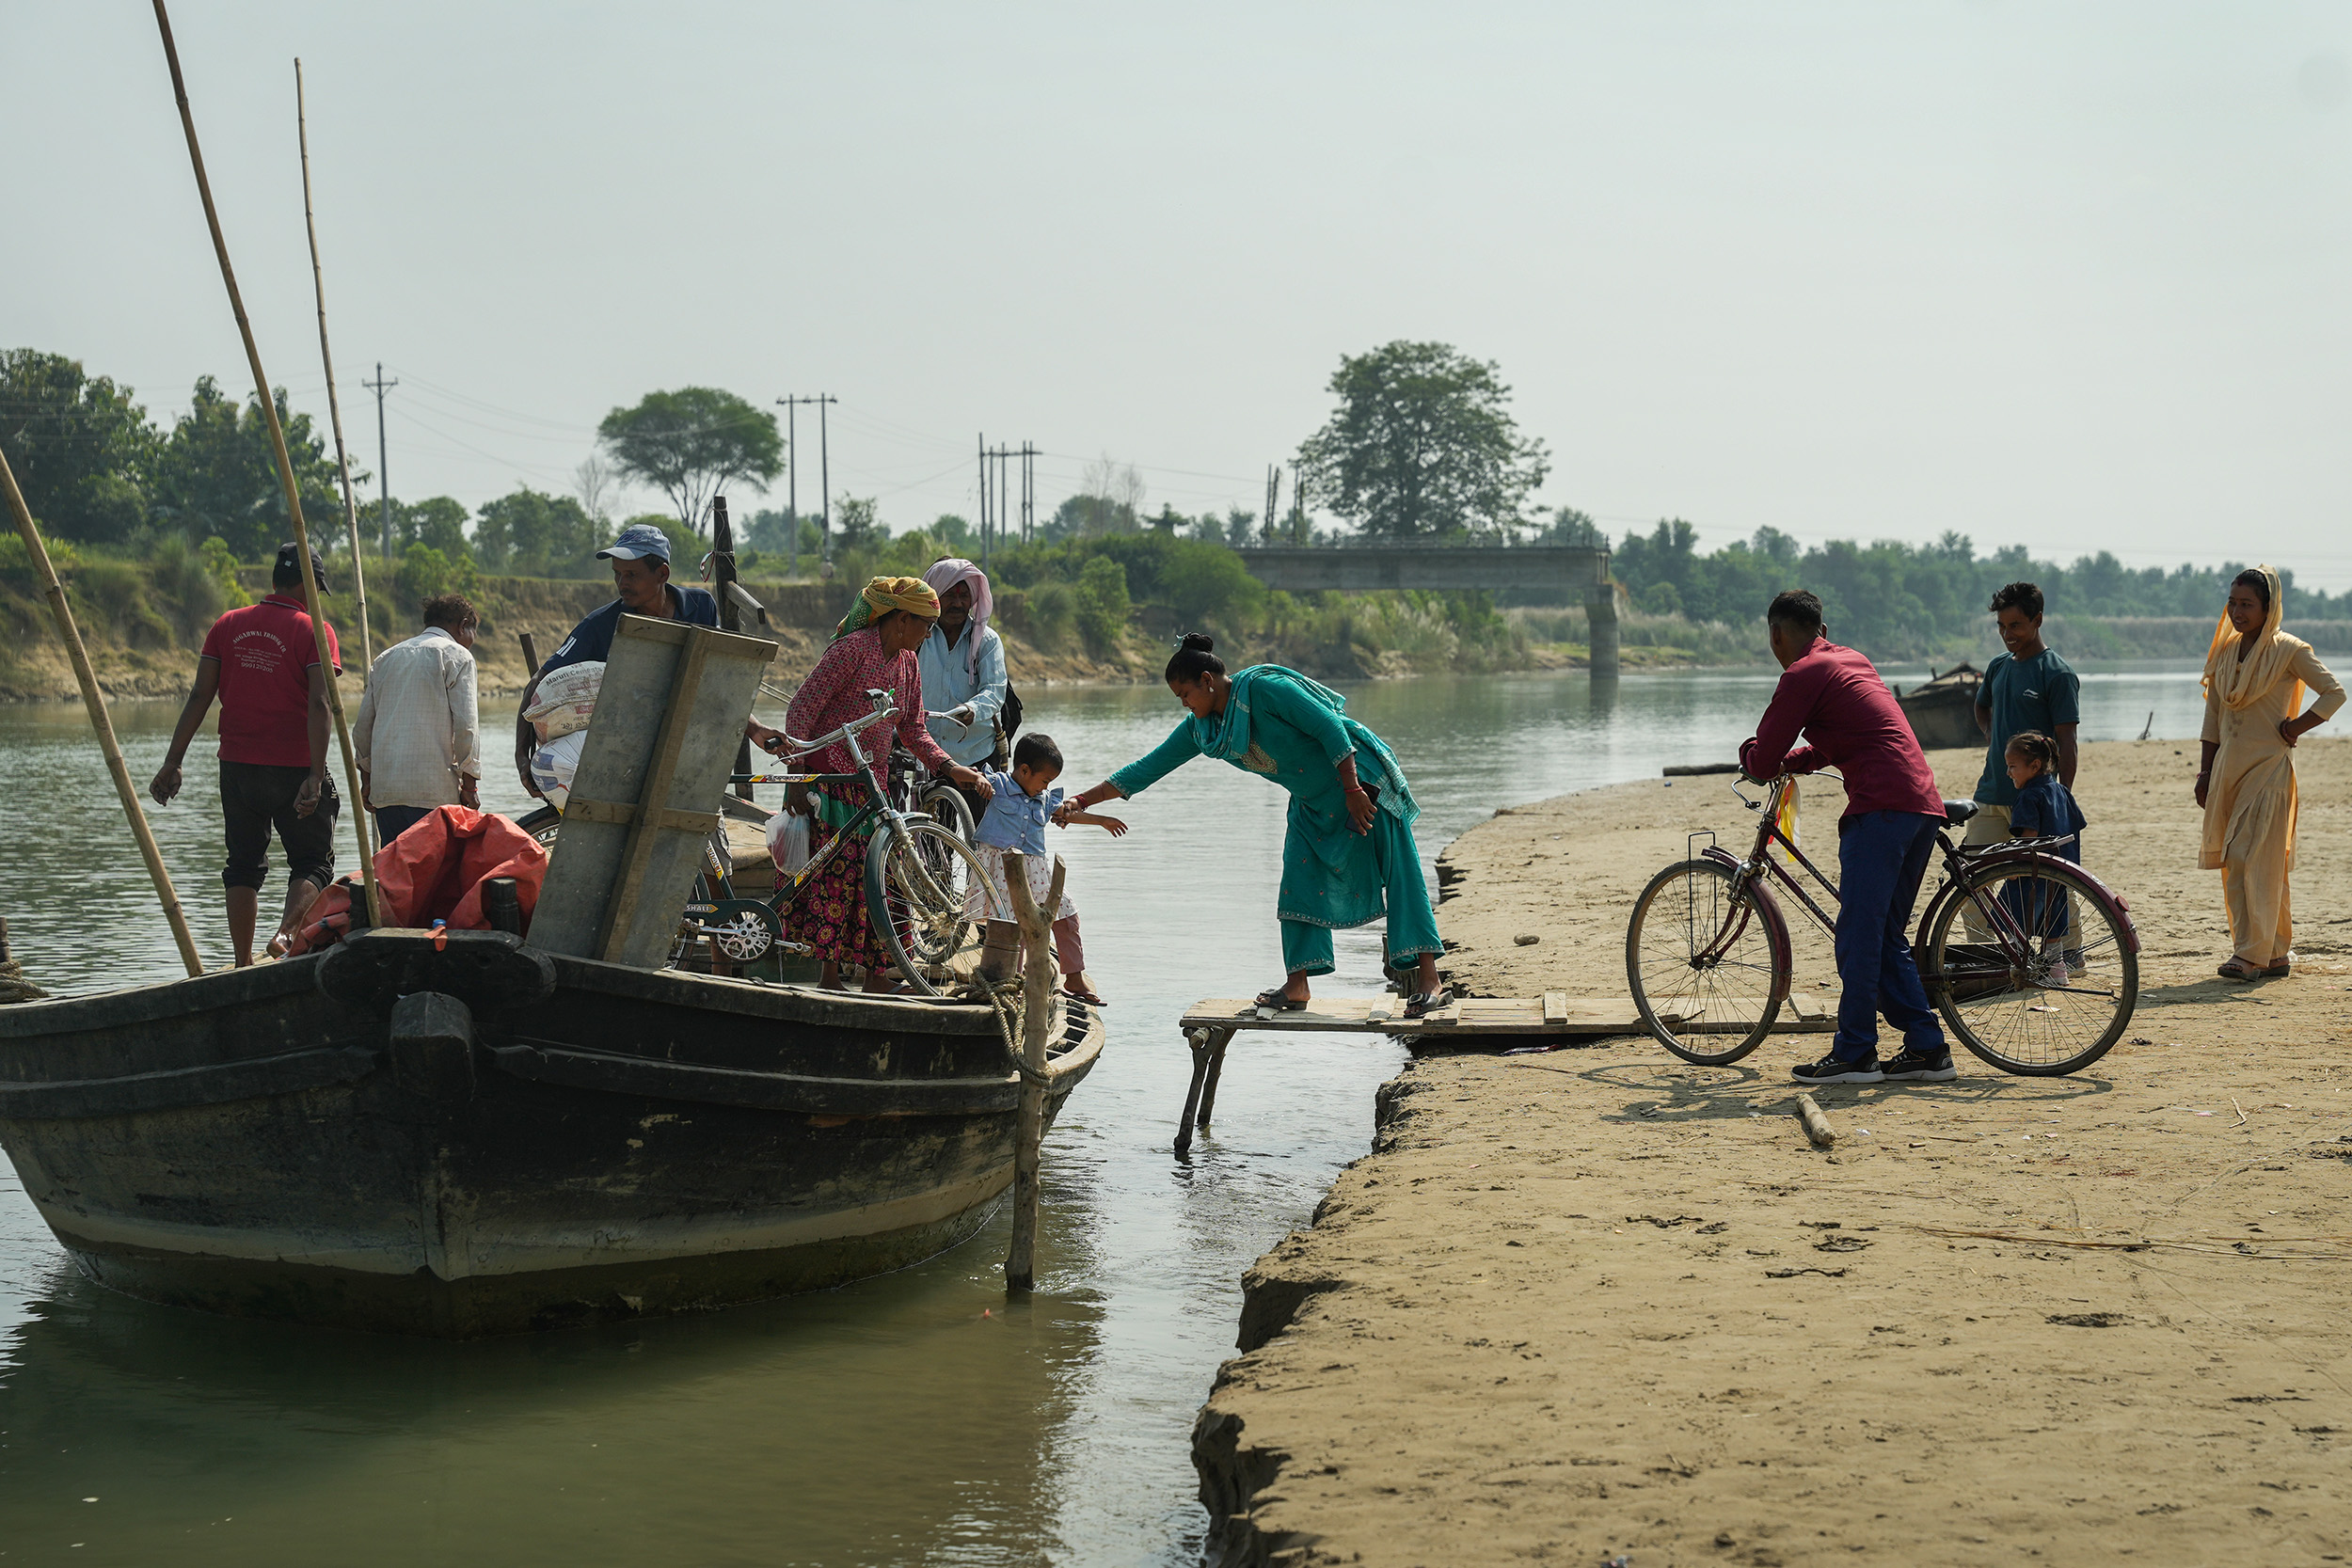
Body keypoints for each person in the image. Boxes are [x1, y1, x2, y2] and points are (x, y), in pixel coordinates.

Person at [1064, 633, 1448, 1016]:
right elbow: (1145, 769)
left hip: (1360, 783)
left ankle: (1430, 980)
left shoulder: (1265, 689)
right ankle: (1297, 985)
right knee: (1297, 883)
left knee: (1400, 872)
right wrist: (1080, 801)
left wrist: (1351, 788)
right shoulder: (1202, 730)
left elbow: (1331, 728)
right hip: (1311, 800)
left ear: (1208, 680)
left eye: (1185, 693)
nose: (1183, 703)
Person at [1739, 590, 1953, 1085]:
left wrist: (1752, 757)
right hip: (1920, 804)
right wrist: (1793, 761)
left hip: (1881, 810)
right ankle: (1926, 1047)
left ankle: (1856, 1052)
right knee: (1881, 936)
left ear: (1775, 634)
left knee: (1857, 936)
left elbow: (1764, 754)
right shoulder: (1850, 660)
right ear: (1823, 629)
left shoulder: (1800, 674)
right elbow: (1845, 737)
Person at [782, 576, 992, 991]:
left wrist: (952, 768)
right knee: (836, 879)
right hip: (829, 781)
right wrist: (795, 778)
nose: (929, 633)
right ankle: (828, 978)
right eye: (924, 625)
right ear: (899, 620)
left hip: (872, 786)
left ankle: (877, 977)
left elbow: (913, 730)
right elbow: (801, 710)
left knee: (882, 878)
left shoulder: (908, 663)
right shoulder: (853, 650)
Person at [149, 542, 342, 967]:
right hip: (293, 766)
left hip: (237, 766)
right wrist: (315, 772)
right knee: (313, 861)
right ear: (308, 587)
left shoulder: (227, 623)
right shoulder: (316, 630)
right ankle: (284, 934)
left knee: (242, 865)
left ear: (274, 580)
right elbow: (320, 703)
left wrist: (173, 760)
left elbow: (200, 694)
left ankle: (241, 962)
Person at [2195, 564, 2344, 981]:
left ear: (2268, 607)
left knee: (2250, 859)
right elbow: (2213, 718)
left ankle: (2249, 956)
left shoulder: (2290, 650)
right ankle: (2275, 953)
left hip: (2270, 771)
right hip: (2228, 772)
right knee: (2247, 862)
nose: (2237, 612)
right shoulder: (2225, 653)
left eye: (2247, 604)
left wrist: (2296, 727)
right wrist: (2205, 772)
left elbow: (2335, 692)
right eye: (2233, 602)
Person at [513, 523, 726, 799]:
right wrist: (521, 757)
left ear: (662, 573)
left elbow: (720, 678)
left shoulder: (701, 607)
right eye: (617, 574)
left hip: (689, 742)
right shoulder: (601, 624)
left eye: (631, 575)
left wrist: (754, 728)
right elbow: (538, 681)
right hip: (627, 748)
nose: (622, 584)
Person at [966, 732, 1125, 1004]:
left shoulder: (1045, 799)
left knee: (1066, 913)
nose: (1045, 786)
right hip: (1002, 868)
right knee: (1014, 927)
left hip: (1036, 872)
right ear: (1024, 770)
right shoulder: (999, 785)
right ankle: (1011, 984)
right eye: (1044, 780)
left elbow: (1068, 814)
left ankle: (1074, 977)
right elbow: (972, 778)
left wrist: (1101, 820)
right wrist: (974, 778)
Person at [353, 593, 481, 845]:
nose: (472, 642)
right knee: (434, 877)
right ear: (463, 625)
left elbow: (362, 730)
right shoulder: (457, 656)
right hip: (433, 793)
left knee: (396, 875)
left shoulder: (386, 658)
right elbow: (467, 729)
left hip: (387, 792)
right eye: (472, 633)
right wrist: (470, 787)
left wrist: (368, 781)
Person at [918, 557, 1009, 821]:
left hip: (977, 753)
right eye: (949, 595)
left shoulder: (987, 640)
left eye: (964, 594)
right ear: (934, 596)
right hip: (930, 755)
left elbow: (994, 690)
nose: (957, 603)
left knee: (983, 839)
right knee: (933, 838)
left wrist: (972, 709)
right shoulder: (918, 637)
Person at [2002, 729, 2089, 980]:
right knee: (2054, 927)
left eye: (2012, 766)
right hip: (2061, 872)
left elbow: (2027, 838)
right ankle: (2057, 972)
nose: (2008, 773)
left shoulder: (2029, 795)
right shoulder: (2062, 791)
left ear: (2035, 765)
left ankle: (2019, 965)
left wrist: (2013, 870)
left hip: (2034, 872)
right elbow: (2076, 827)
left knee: (2013, 918)